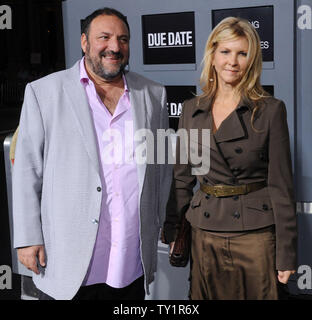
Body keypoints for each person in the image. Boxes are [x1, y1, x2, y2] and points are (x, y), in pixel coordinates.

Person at [12, 7, 172, 300]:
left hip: (128, 256)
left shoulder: (152, 94)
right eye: (105, 37)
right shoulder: (44, 92)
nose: (114, 46)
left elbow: (161, 167)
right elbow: (27, 171)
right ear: (85, 42)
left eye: (123, 39)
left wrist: (161, 219)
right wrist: (27, 238)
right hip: (68, 255)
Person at [162, 17, 297, 300]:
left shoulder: (270, 110)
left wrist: (286, 252)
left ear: (252, 59)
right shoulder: (190, 109)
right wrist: (174, 227)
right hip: (204, 230)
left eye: (242, 53)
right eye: (225, 52)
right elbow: (182, 178)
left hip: (255, 235)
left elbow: (281, 186)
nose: (232, 62)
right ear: (212, 55)